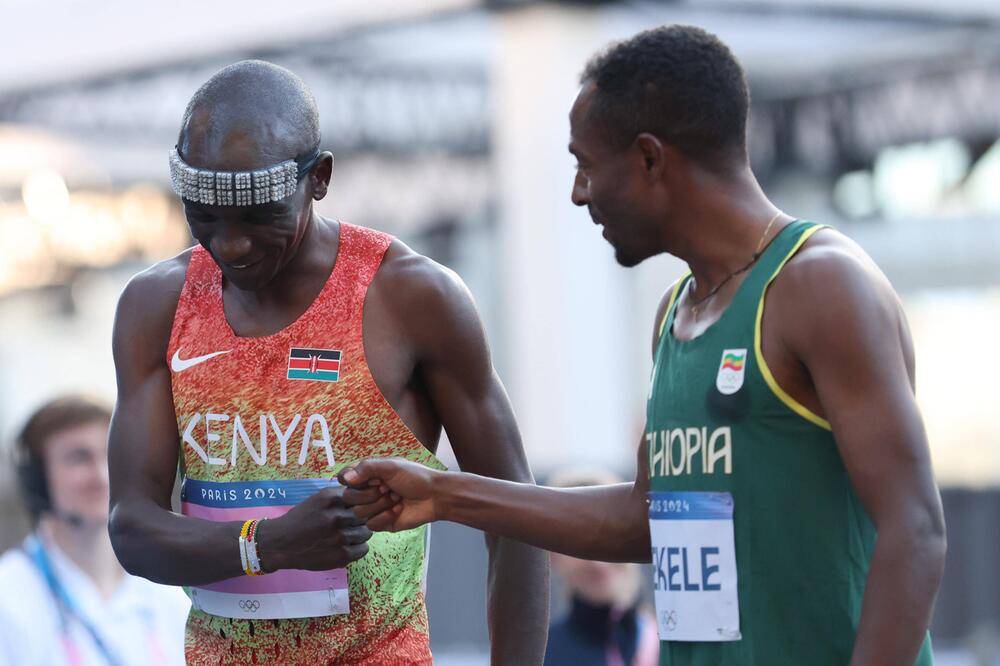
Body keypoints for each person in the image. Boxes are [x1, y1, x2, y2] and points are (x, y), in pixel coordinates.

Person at [341, 25, 947, 666]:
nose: (579, 193)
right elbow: (642, 519)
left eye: (585, 164)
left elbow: (916, 530)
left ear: (650, 159)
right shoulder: (676, 312)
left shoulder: (821, 284)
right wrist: (445, 495)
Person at [106, 60, 547, 665]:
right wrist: (267, 544)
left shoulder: (410, 298)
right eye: (205, 214)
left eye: (260, 215)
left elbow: (518, 519)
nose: (231, 244)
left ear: (319, 178)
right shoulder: (157, 305)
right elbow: (132, 529)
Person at [0, 395, 190, 665]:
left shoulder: (166, 589)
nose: (101, 475)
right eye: (79, 459)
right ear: (36, 480)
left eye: (109, 455)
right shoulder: (8, 597)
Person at [544, 469, 658, 666]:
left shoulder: (680, 643)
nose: (598, 562)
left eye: (612, 537)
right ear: (552, 555)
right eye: (577, 543)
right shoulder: (538, 657)